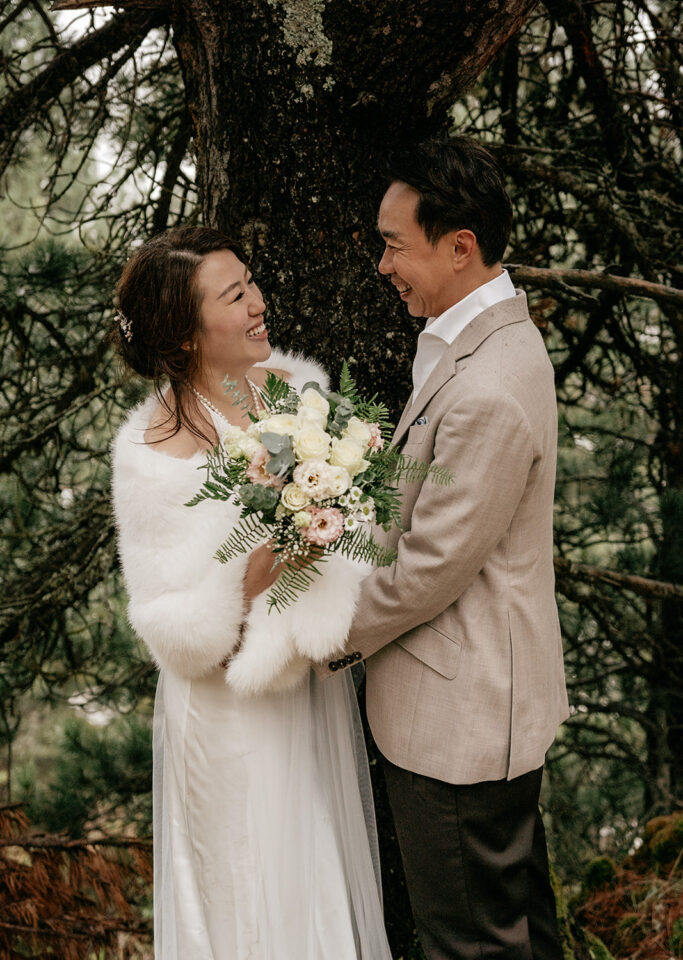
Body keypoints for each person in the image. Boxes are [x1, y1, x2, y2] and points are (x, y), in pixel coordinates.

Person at [254, 137, 569, 959]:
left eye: (395, 244)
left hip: (461, 720)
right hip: (473, 699)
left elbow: (428, 569)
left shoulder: (491, 385)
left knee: (467, 944)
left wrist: (316, 630)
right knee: (517, 933)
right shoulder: (478, 340)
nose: (383, 264)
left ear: (459, 248)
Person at [110, 227, 392, 960]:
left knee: (317, 866)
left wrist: (330, 525)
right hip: (226, 713)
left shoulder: (305, 397)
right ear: (185, 330)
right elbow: (170, 627)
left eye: (251, 284)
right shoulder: (147, 455)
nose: (258, 303)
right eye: (235, 295)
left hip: (306, 681)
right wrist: (255, 565)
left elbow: (362, 534)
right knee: (245, 890)